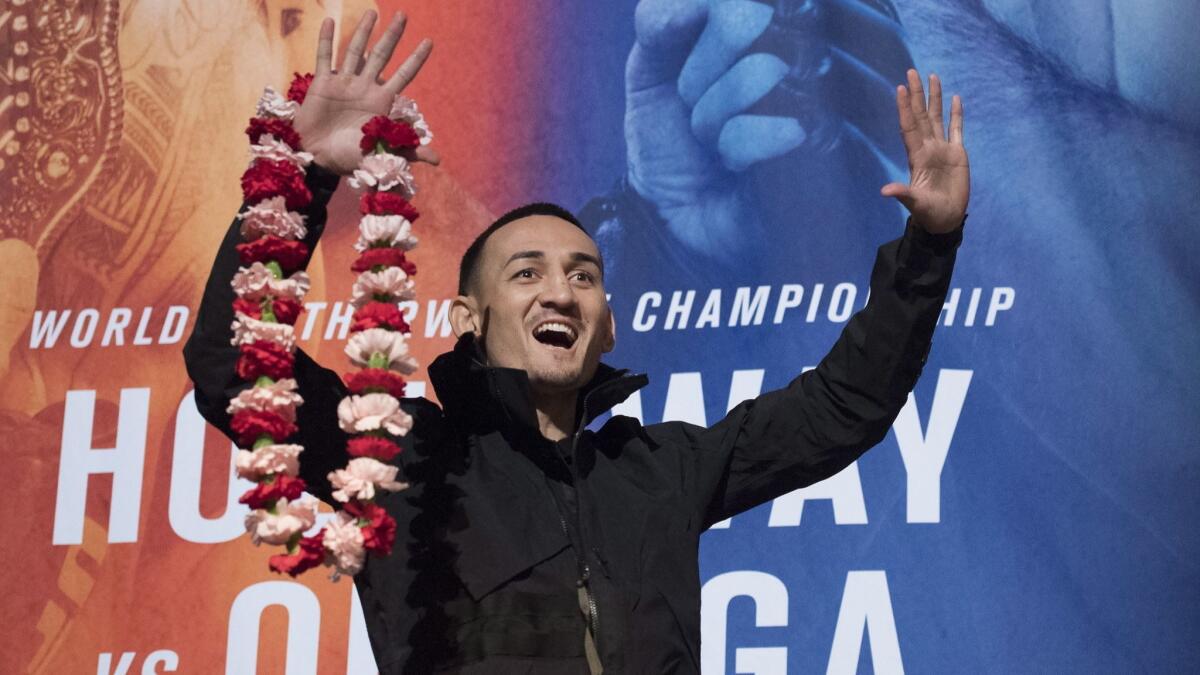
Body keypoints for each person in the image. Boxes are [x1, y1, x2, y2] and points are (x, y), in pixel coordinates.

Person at [183, 9, 968, 673]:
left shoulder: (661, 470)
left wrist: (929, 246)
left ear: (610, 325)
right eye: (526, 273)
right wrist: (307, 175)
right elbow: (229, 365)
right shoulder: (399, 460)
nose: (561, 290)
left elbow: (841, 406)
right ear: (467, 320)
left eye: (585, 275)